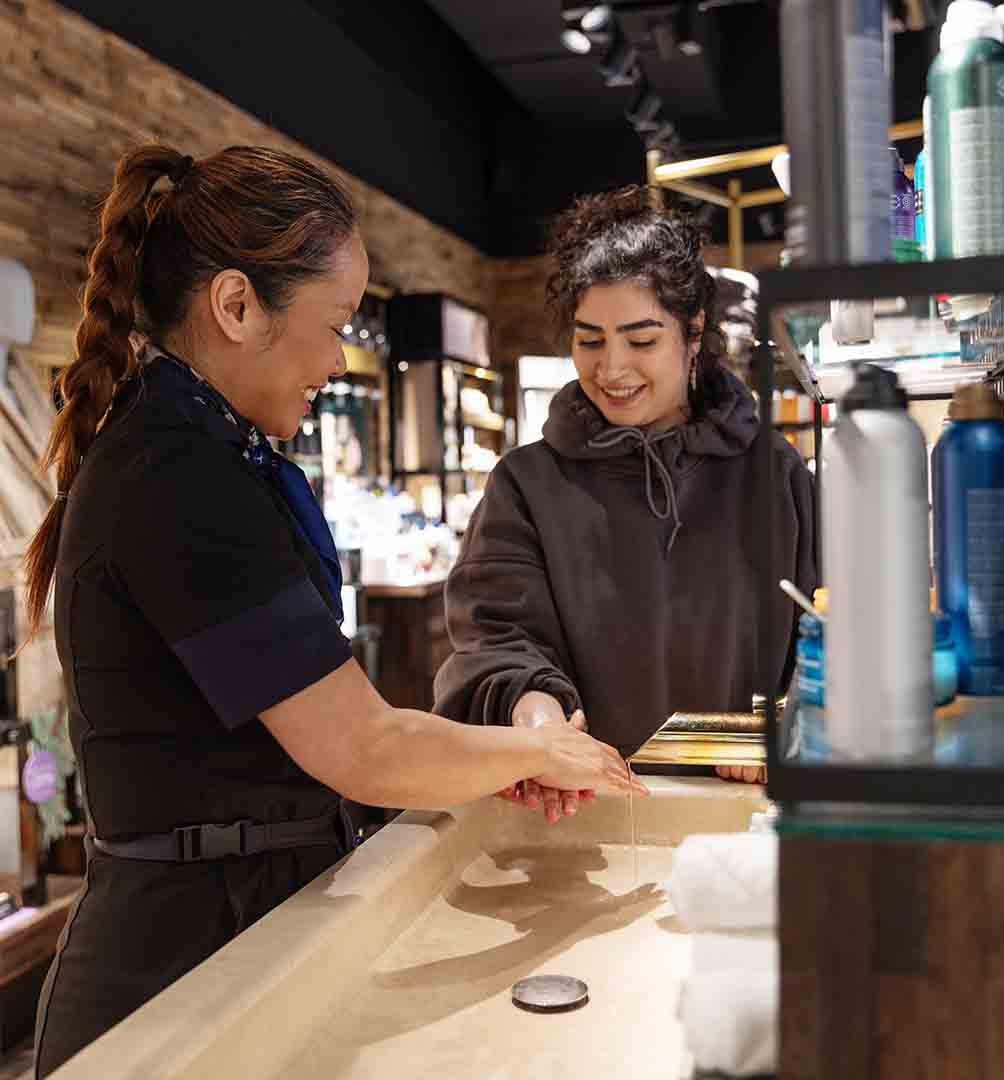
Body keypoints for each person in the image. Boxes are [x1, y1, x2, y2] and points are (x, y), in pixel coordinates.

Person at [25, 145, 643, 1078]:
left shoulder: (205, 454)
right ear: (237, 307)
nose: (337, 360)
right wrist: (536, 749)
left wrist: (489, 761)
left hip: (237, 936)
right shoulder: (177, 478)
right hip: (178, 977)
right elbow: (362, 745)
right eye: (334, 325)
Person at [434, 186, 816, 823]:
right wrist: (535, 714)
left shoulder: (774, 472)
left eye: (641, 341)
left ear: (693, 334)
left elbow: (832, 630)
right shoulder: (525, 485)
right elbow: (495, 641)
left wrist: (787, 719)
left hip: (745, 818)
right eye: (590, 342)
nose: (613, 369)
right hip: (581, 821)